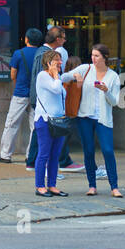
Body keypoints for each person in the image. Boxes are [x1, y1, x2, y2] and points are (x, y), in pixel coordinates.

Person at [62, 44, 123, 197]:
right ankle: (92, 186)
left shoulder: (113, 76)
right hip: (85, 117)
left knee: (108, 151)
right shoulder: (85, 68)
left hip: (103, 118)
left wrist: (106, 91)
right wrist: (75, 76)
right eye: (92, 55)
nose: (93, 58)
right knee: (88, 151)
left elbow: (115, 101)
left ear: (105, 57)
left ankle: (114, 187)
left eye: (97, 56)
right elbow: (63, 77)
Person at [25, 26, 80, 172]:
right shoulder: (45, 56)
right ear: (57, 39)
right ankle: (60, 161)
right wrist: (57, 76)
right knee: (53, 132)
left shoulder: (42, 53)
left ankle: (34, 161)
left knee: (43, 133)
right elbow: (52, 84)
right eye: (63, 37)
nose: (61, 63)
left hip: (43, 103)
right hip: (45, 104)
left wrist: (69, 76)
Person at [0, 29, 43, 163]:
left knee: (11, 124)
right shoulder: (43, 54)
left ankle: (5, 155)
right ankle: (31, 155)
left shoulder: (19, 53)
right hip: (37, 95)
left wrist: (18, 84)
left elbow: (12, 74)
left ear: (26, 39)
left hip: (20, 93)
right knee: (34, 126)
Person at [32, 49, 68, 197]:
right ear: (48, 63)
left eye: (60, 60)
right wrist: (55, 75)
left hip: (58, 121)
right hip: (44, 120)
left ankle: (52, 185)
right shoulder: (42, 76)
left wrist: (57, 76)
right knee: (44, 154)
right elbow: (56, 89)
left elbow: (61, 93)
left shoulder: (56, 76)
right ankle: (40, 186)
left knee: (55, 154)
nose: (60, 63)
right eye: (57, 60)